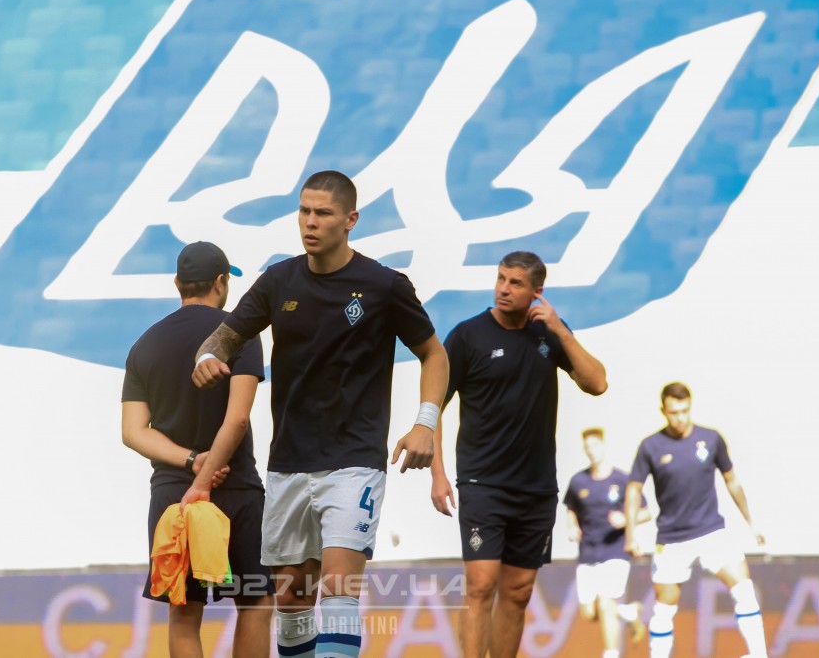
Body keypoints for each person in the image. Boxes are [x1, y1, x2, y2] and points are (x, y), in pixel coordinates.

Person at [193, 170, 449, 658]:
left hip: (354, 461)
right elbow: (226, 335)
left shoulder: (384, 285)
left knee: (338, 588)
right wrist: (207, 355)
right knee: (292, 599)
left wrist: (425, 423)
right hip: (289, 462)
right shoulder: (278, 281)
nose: (310, 222)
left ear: (350, 220)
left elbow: (434, 354)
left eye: (323, 213)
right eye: (304, 211)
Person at [430, 250, 608, 658]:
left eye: (515, 283)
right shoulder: (467, 335)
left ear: (537, 292)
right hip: (482, 483)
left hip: (536, 487)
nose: (504, 289)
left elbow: (597, 383)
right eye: (501, 279)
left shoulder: (549, 333)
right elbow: (433, 406)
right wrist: (438, 474)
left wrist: (561, 331)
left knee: (518, 591)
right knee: (480, 584)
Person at [121, 241, 274, 658]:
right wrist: (211, 468)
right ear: (221, 282)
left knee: (185, 613)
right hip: (236, 489)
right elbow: (237, 420)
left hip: (173, 494)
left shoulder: (145, 344)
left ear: (178, 283)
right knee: (255, 602)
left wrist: (192, 462)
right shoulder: (238, 333)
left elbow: (133, 432)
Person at [625, 381, 768, 658]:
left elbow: (732, 480)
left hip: (711, 531)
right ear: (663, 411)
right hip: (672, 538)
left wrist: (751, 522)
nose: (680, 418)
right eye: (673, 412)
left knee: (744, 588)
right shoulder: (650, 446)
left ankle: (759, 655)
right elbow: (633, 489)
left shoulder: (711, 439)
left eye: (684, 411)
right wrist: (631, 534)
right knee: (664, 606)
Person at [564, 427, 650, 658]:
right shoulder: (578, 481)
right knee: (589, 612)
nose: (591, 451)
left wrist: (625, 519)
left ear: (603, 446)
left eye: (595, 446)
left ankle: (610, 654)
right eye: (587, 447)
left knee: (605, 602)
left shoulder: (621, 480)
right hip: (588, 552)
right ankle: (630, 612)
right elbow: (571, 510)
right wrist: (572, 527)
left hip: (615, 551)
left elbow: (645, 512)